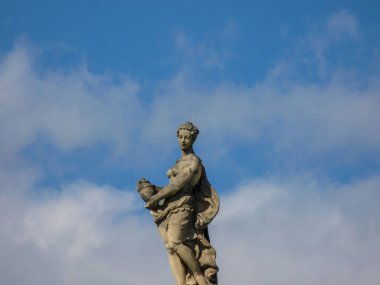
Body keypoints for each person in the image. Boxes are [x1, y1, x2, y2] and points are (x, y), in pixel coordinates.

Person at [141, 122, 219, 285]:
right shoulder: (179, 162)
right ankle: (181, 282)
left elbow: (179, 185)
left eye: (187, 138)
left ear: (193, 140)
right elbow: (172, 188)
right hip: (169, 206)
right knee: (170, 248)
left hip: (183, 205)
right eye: (181, 137)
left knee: (175, 242)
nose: (183, 140)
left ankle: (198, 275)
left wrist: (156, 198)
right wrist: (152, 189)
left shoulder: (194, 162)